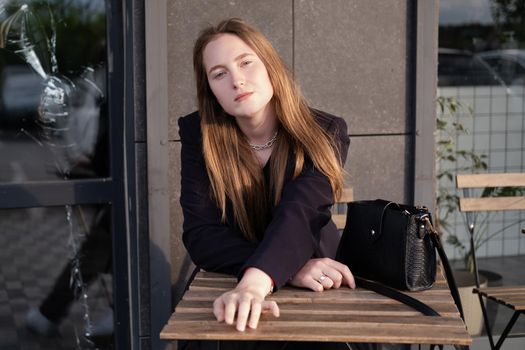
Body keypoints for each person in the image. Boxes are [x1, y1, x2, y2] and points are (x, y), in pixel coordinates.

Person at [179, 18, 356, 350]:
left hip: (316, 285)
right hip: (250, 276)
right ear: (211, 91)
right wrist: (285, 271)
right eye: (219, 74)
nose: (237, 80)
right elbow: (201, 234)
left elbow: (300, 215)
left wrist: (256, 283)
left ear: (271, 65)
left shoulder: (324, 131)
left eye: (246, 62)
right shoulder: (199, 136)